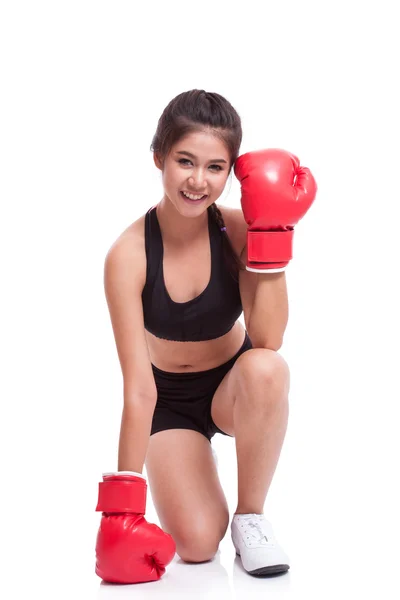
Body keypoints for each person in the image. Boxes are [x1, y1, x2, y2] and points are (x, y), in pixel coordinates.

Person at [94, 89, 317, 584]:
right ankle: (192, 464)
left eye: (216, 167)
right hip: (167, 401)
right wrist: (121, 513)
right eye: (185, 161)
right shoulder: (128, 255)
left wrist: (272, 232)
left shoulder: (238, 232)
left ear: (232, 172)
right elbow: (138, 388)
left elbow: (267, 337)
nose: (198, 181)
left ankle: (251, 518)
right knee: (195, 546)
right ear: (159, 157)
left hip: (231, 388)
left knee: (267, 367)